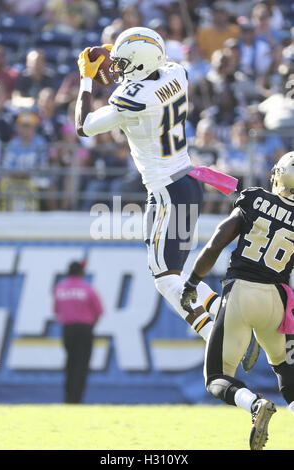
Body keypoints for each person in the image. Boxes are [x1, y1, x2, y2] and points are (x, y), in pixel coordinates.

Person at [75, 26, 259, 367]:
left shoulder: (131, 98)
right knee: (176, 272)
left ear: (140, 65)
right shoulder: (177, 73)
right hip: (189, 181)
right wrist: (117, 55)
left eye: (123, 62)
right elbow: (146, 69)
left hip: (165, 190)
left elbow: (83, 125)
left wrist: (86, 78)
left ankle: (215, 334)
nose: (116, 67)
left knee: (164, 279)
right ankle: (223, 315)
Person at [180, 152, 294, 450]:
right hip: (279, 300)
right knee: (285, 369)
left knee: (217, 377)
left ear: (278, 175)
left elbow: (218, 241)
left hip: (242, 292)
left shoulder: (255, 199)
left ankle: (254, 404)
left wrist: (192, 281)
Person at [53, 261, 103, 404]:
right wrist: (90, 325)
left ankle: (68, 398)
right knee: (82, 365)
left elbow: (57, 311)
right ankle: (77, 399)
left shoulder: (60, 288)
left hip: (68, 329)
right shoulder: (87, 289)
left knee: (70, 363)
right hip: (85, 329)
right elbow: (99, 311)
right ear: (81, 272)